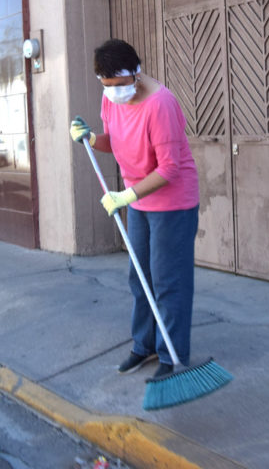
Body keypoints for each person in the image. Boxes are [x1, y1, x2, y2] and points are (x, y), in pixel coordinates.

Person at [69, 39, 200, 379]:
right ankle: (144, 346)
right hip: (138, 198)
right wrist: (90, 138)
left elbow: (169, 168)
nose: (112, 92)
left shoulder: (161, 104)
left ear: (136, 73)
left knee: (167, 279)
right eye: (106, 85)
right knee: (139, 275)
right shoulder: (111, 97)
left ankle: (171, 353)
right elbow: (114, 141)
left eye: (118, 85)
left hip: (172, 202)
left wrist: (125, 197)